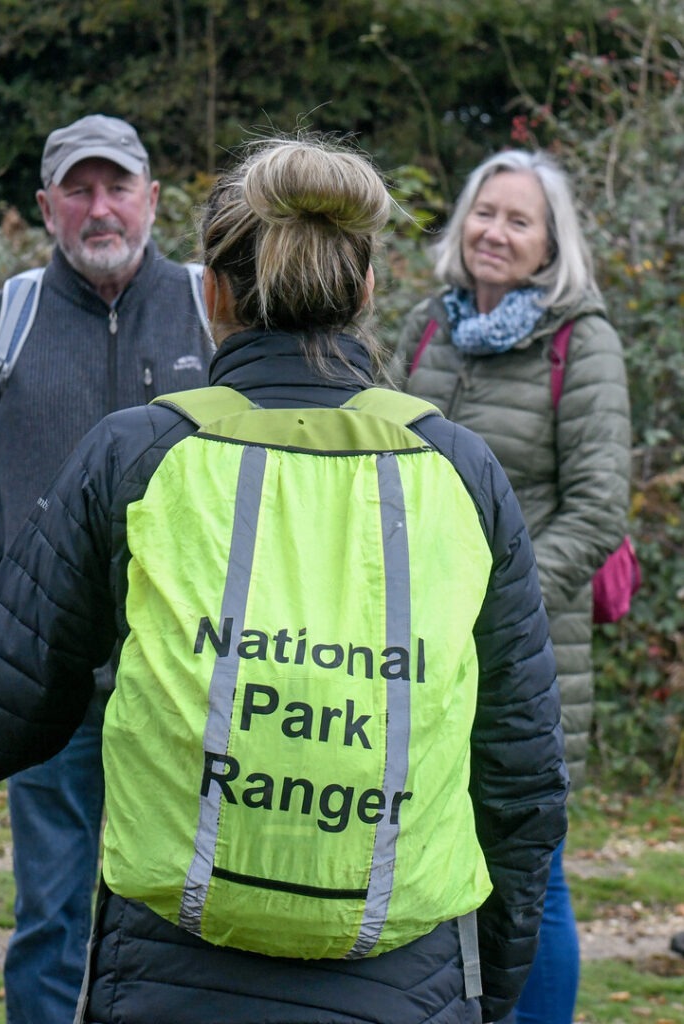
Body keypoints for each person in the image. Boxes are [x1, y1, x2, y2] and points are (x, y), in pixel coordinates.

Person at [0, 135, 568, 1024]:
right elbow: (521, 782)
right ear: (366, 290)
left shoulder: (139, 455)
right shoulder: (459, 470)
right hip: (405, 985)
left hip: (168, 981)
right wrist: (489, 990)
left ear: (210, 296)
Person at [0, 113, 213, 1024]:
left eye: (117, 187)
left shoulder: (215, 308)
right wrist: (7, 617)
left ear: (153, 199)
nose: (99, 209)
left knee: (181, 920)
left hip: (190, 687)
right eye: (77, 190)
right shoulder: (4, 322)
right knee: (50, 921)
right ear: (46, 206)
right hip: (50, 694)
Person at [388, 148, 632, 1024]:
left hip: (527, 653)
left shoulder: (580, 341)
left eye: (517, 219)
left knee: (532, 870)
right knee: (431, 852)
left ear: (549, 244)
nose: (494, 231)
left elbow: (600, 506)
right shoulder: (427, 326)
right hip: (419, 645)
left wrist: (502, 603)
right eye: (484, 212)